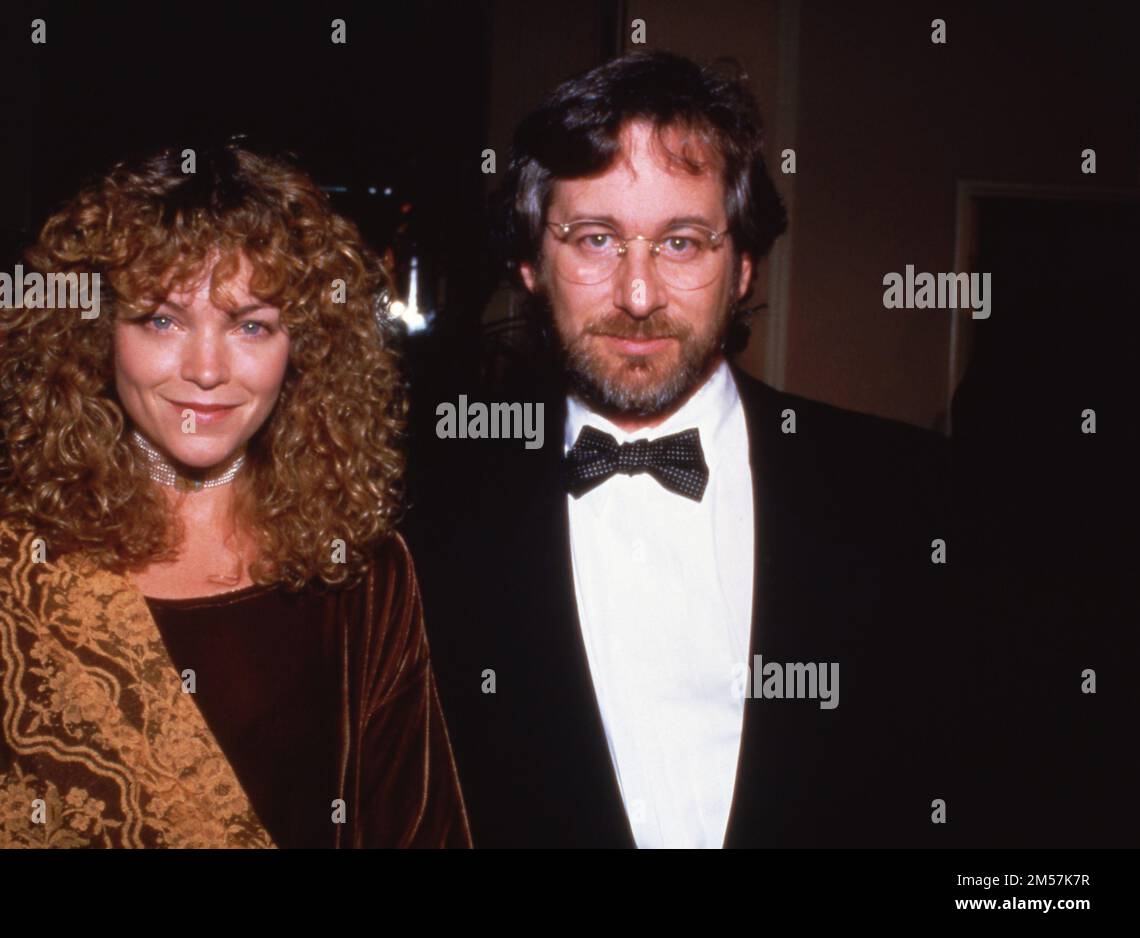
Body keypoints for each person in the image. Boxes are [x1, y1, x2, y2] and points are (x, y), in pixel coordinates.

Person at [405, 51, 969, 848]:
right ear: (532, 267)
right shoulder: (423, 514)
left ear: (741, 266)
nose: (638, 296)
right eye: (595, 239)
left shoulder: (911, 496)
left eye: (681, 243)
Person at [0, 139, 471, 848]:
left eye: (250, 324)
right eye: (162, 320)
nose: (206, 369)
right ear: (95, 333)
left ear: (306, 348)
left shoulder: (362, 574)